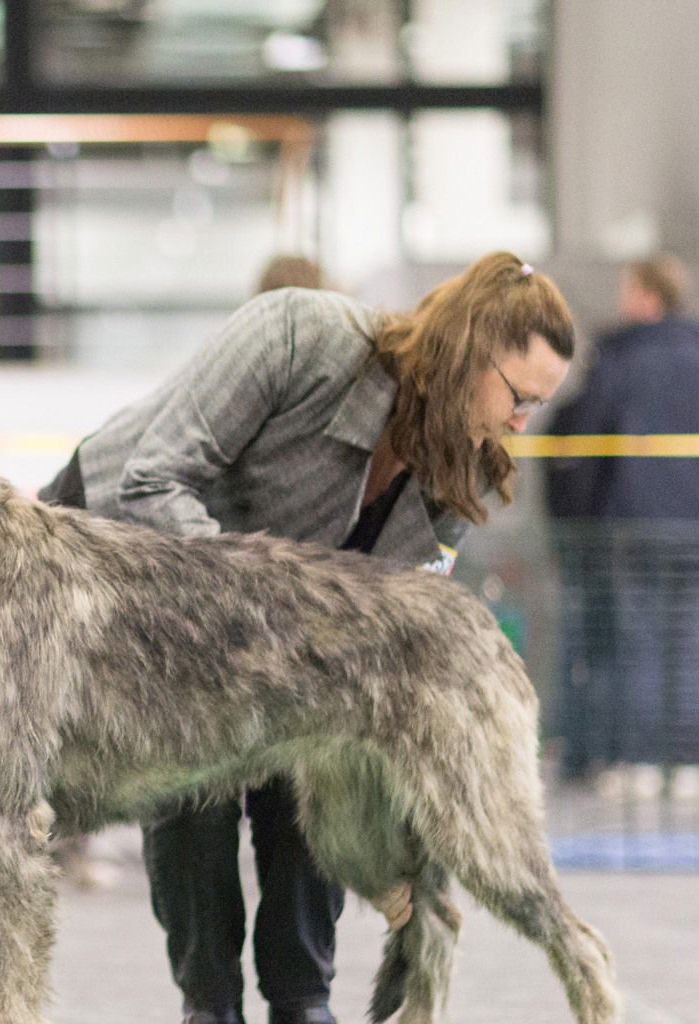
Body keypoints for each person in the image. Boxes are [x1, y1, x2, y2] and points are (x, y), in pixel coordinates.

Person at [39, 251, 574, 1024]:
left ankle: (301, 1002)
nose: (521, 423)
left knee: (325, 755)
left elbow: (396, 620)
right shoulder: (299, 332)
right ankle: (209, 1005)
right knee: (192, 792)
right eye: (520, 397)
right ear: (468, 350)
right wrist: (275, 616)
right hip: (130, 555)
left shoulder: (471, 466)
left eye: (538, 408)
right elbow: (152, 479)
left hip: (273, 623)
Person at [545, 254, 699, 792]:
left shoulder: (621, 360)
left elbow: (581, 443)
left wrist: (572, 521)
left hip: (631, 529)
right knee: (688, 640)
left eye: (628, 290)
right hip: (692, 531)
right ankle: (687, 763)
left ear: (649, 298)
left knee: (634, 641)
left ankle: (641, 759)